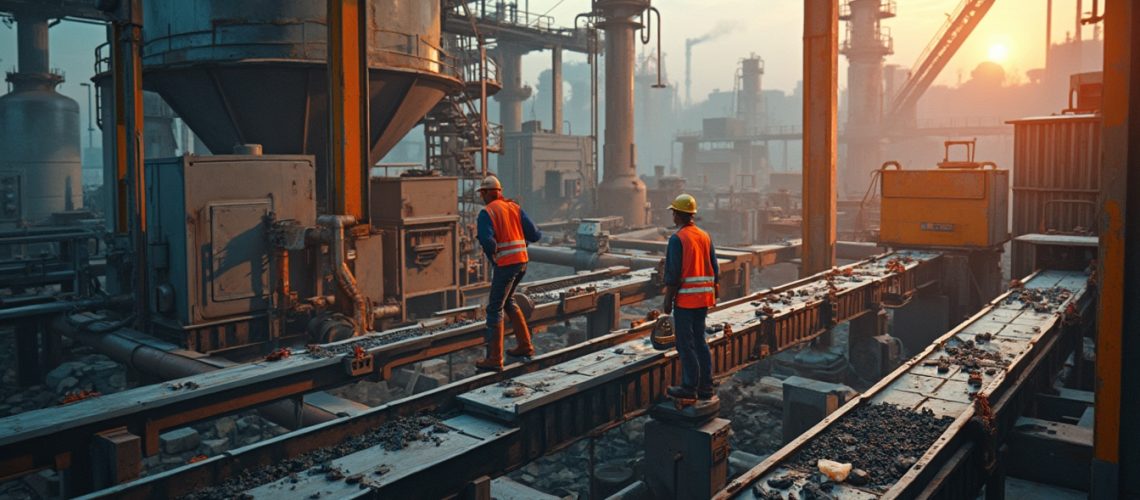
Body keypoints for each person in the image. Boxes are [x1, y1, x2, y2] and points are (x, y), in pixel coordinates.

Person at [474, 175, 543, 371]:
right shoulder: (514, 208)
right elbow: (536, 235)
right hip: (522, 262)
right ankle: (525, 346)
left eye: (482, 193)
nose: (482, 197)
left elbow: (487, 241)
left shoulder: (487, 212)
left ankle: (495, 358)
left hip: (506, 264)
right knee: (509, 301)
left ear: (488, 193)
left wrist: (493, 253)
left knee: (494, 308)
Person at [662, 193, 719, 400]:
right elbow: (715, 269)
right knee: (700, 341)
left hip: (686, 301)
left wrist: (668, 300)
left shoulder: (678, 239)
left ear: (678, 214)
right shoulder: (704, 236)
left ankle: (689, 387)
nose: (673, 217)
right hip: (703, 300)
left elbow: (673, 274)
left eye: (674, 213)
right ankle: (705, 387)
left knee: (685, 344)